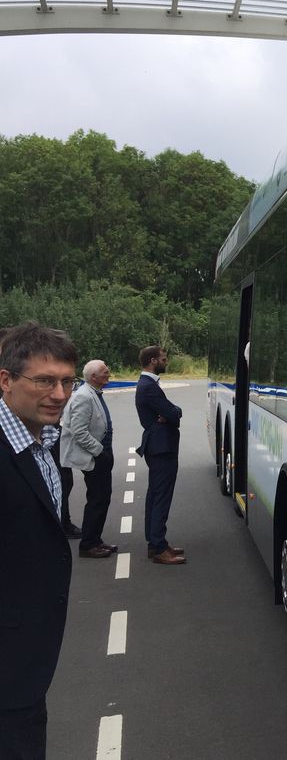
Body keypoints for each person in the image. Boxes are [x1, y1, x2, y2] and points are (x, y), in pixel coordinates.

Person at [0, 322, 79, 759]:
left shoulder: (41, 441)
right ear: (6, 380)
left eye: (67, 381)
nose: (60, 394)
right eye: (45, 381)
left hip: (27, 663)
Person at [60, 360, 117, 559]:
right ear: (93, 377)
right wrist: (99, 452)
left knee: (102, 497)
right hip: (94, 456)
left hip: (99, 454)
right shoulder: (84, 397)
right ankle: (89, 544)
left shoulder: (91, 393)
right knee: (98, 499)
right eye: (104, 371)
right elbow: (79, 431)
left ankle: (95, 539)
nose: (108, 373)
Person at [134, 345, 186, 565]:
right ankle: (158, 547)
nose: (166, 362)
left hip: (157, 446)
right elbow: (173, 412)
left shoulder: (147, 385)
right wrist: (173, 413)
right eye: (164, 359)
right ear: (153, 361)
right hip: (162, 447)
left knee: (155, 495)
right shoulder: (149, 387)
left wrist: (171, 413)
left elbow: (170, 413)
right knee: (161, 497)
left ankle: (156, 542)